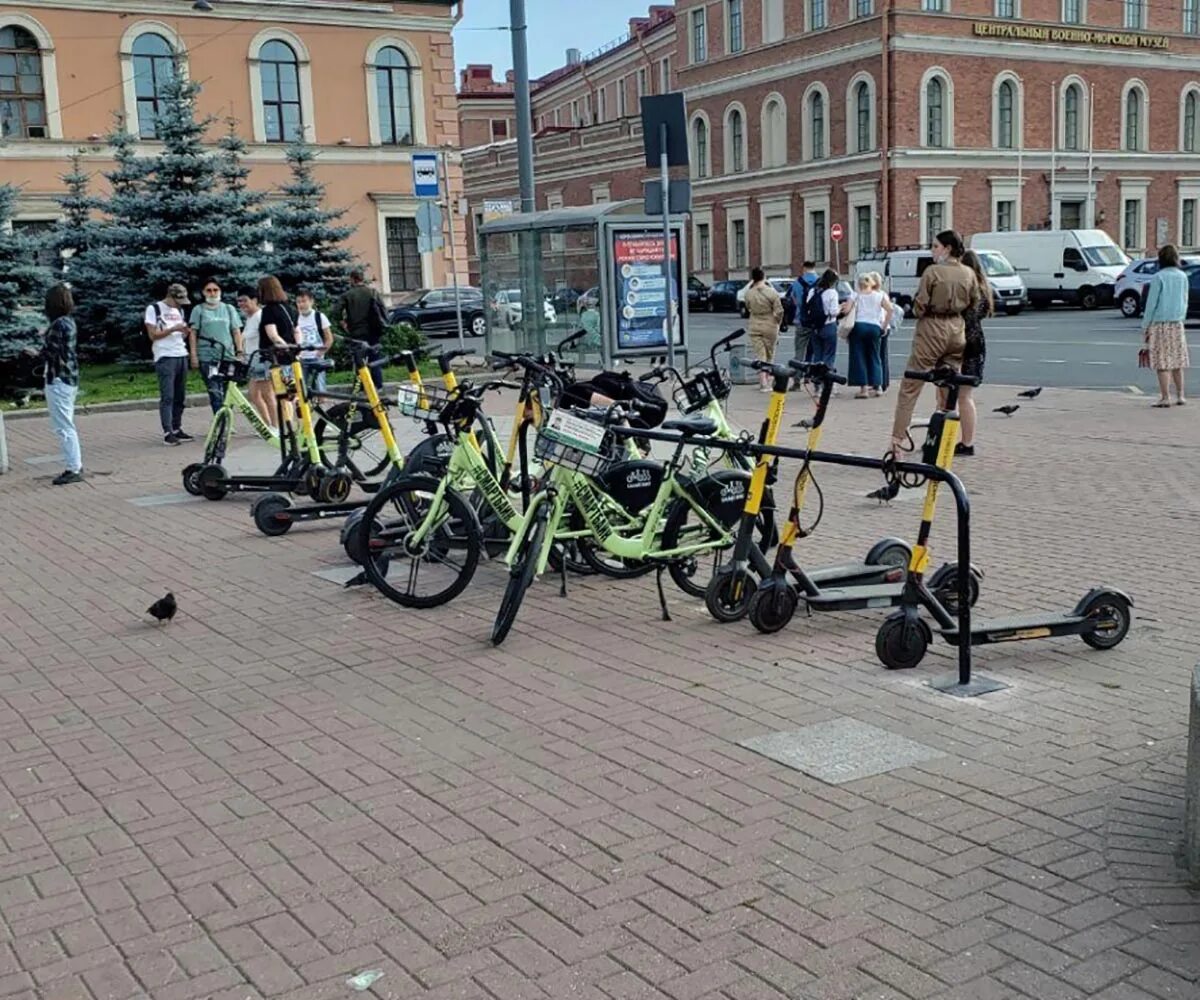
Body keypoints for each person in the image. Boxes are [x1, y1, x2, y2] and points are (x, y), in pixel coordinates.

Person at [889, 230, 979, 449]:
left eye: (935, 247)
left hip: (932, 327)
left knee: (911, 386)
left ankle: (897, 441)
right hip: (957, 328)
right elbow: (974, 302)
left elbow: (920, 305)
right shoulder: (968, 273)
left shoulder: (933, 272)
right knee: (949, 387)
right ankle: (944, 441)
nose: (932, 251)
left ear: (947, 249)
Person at [41, 283, 83, 485]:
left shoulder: (58, 325)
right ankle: (74, 465)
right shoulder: (69, 322)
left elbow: (52, 352)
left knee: (64, 426)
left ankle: (73, 467)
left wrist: (38, 348)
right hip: (69, 377)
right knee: (66, 423)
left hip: (58, 378)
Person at [145, 282, 194, 445]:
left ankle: (177, 428)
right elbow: (153, 335)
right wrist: (173, 329)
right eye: (177, 301)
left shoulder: (178, 310)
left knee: (180, 396)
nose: (179, 305)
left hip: (181, 353)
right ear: (170, 297)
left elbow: (181, 336)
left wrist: (184, 332)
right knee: (168, 396)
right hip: (165, 355)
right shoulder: (154, 309)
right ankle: (167, 432)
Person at [954, 250, 993, 454]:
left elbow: (961, 316)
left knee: (957, 395)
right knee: (965, 395)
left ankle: (964, 442)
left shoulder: (967, 287)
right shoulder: (984, 287)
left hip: (961, 341)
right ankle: (967, 441)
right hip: (977, 342)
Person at [1142, 243, 1190, 407]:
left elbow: (1151, 304)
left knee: (1162, 363)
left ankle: (1165, 397)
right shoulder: (1183, 276)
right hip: (1177, 323)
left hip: (1160, 324)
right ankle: (1181, 395)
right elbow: (1185, 299)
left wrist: (1146, 325)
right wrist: (1181, 317)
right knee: (1177, 361)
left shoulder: (1159, 277)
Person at [188, 277, 244, 414]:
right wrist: (194, 355)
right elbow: (193, 334)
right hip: (207, 357)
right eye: (209, 290)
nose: (212, 293)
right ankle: (219, 422)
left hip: (227, 356)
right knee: (215, 392)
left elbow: (236, 331)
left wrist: (240, 351)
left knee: (227, 391)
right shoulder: (198, 310)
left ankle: (227, 419)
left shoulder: (229, 309)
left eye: (215, 290)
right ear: (203, 292)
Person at [332, 269, 388, 389]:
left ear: (352, 279)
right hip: (374, 330)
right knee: (374, 357)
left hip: (357, 332)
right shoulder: (372, 292)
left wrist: (343, 323)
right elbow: (383, 309)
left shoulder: (347, 295)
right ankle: (378, 385)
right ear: (362, 278)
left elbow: (336, 311)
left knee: (360, 360)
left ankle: (360, 386)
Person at [846, 273, 892, 398]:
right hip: (875, 327)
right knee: (875, 356)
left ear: (859, 284)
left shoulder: (855, 295)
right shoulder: (878, 295)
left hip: (859, 326)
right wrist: (884, 326)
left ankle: (864, 389)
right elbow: (890, 309)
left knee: (859, 357)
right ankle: (878, 387)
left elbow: (846, 310)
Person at [237, 287, 274, 427]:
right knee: (254, 394)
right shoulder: (250, 317)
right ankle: (267, 423)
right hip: (253, 361)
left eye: (244, 300)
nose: (241, 304)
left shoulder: (260, 316)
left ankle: (276, 427)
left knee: (267, 394)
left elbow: (269, 336)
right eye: (239, 301)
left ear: (255, 300)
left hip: (262, 360)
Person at [745, 267, 784, 392]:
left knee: (759, 354)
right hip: (770, 324)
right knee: (770, 353)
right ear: (764, 276)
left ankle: (763, 381)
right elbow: (779, 311)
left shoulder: (749, 293)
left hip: (754, 323)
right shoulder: (771, 292)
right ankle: (767, 379)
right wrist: (778, 322)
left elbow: (748, 308)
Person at [295, 286, 334, 396]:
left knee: (320, 387)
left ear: (311, 301)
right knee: (301, 387)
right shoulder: (296, 318)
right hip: (302, 358)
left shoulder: (319, 316)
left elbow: (329, 338)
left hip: (317, 357)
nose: (301, 304)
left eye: (304, 301)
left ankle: (321, 404)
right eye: (298, 302)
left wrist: (321, 352)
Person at [789, 260, 820, 388]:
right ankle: (812, 378)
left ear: (804, 268)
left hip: (801, 321)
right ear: (814, 267)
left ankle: (797, 381)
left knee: (800, 351)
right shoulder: (821, 281)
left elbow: (794, 300)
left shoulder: (797, 282)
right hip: (817, 323)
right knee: (816, 351)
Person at [808, 269, 841, 371]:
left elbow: (808, 305)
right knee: (829, 354)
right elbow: (833, 312)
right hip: (829, 325)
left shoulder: (813, 291)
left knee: (817, 354)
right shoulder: (832, 293)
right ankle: (826, 378)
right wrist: (840, 308)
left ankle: (816, 379)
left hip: (815, 326)